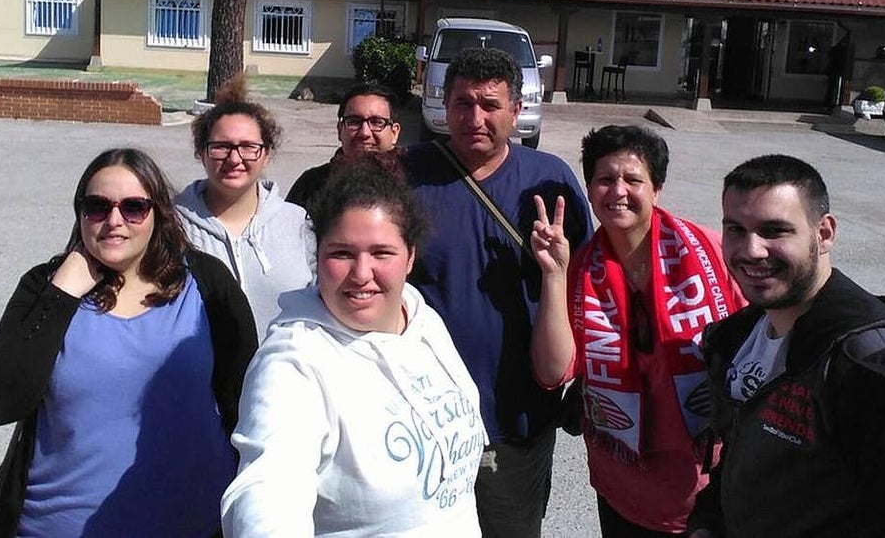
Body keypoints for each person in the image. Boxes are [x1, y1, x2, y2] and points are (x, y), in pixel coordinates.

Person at [687, 154, 885, 537]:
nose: (751, 250)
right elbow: (740, 459)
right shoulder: (740, 338)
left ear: (824, 233)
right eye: (736, 230)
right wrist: (707, 525)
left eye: (774, 231)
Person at [0, 148, 257, 538]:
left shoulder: (206, 281)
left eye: (134, 207)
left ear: (158, 213)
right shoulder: (45, 287)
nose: (114, 221)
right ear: (80, 212)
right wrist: (61, 296)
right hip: (61, 526)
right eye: (98, 207)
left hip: (194, 521)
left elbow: (244, 397)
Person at [221, 161, 486, 537]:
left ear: (410, 257)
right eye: (342, 253)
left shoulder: (420, 317)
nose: (362, 274)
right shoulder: (294, 364)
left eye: (381, 253)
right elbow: (268, 485)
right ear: (316, 255)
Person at [401, 46, 592, 538]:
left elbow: (588, 288)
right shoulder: (405, 174)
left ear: (516, 110)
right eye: (463, 103)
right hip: (419, 415)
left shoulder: (550, 180)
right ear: (444, 105)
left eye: (489, 105)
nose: (475, 117)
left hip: (517, 416)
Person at [529, 125, 744, 536]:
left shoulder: (713, 252)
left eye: (633, 180)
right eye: (605, 180)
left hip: (710, 484)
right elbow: (553, 372)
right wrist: (554, 275)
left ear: (657, 189)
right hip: (621, 485)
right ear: (590, 190)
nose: (618, 191)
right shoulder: (579, 269)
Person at [176, 77, 316, 338]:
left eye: (248, 147)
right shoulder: (171, 225)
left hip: (283, 373)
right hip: (202, 377)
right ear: (202, 152)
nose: (234, 158)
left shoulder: (297, 223)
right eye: (221, 147)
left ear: (266, 154)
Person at [286, 81, 402, 209]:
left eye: (376, 122)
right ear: (340, 130)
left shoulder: (415, 185)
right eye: (354, 122)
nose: (365, 133)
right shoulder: (311, 185)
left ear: (394, 132)